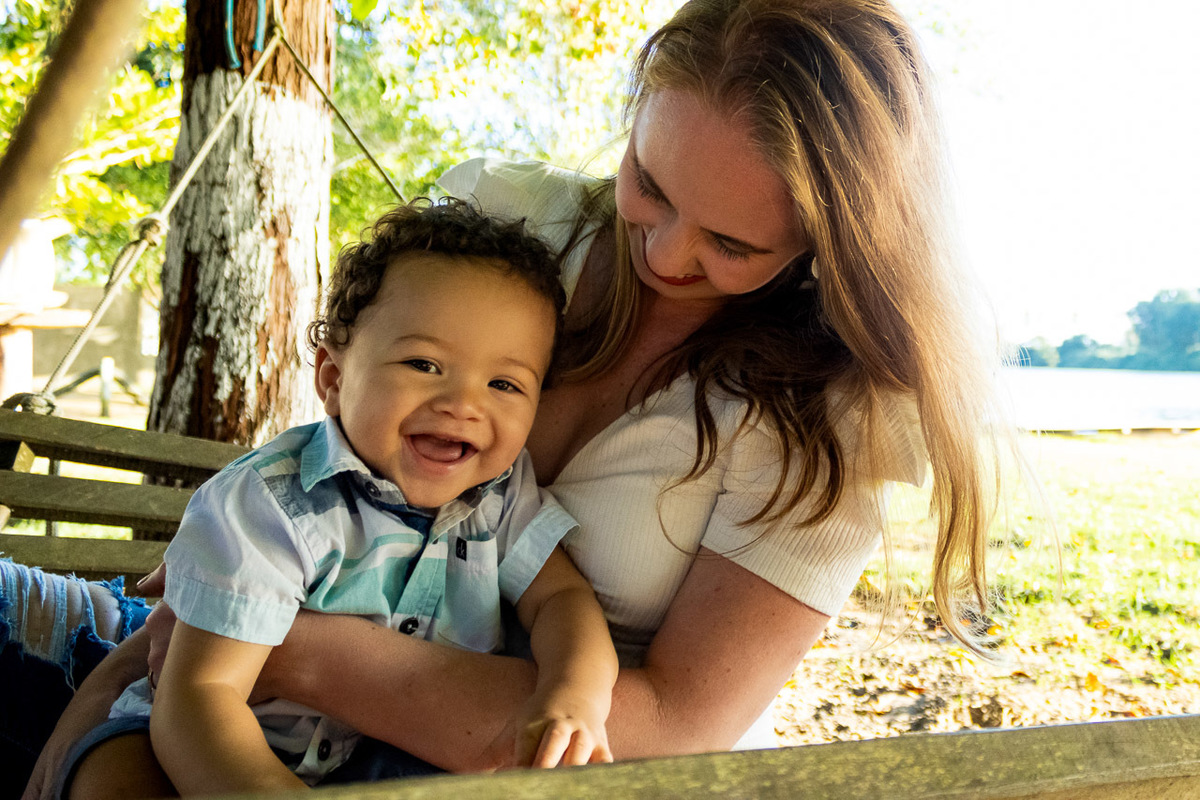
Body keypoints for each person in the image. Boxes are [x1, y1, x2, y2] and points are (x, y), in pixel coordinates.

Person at [7, 0, 1012, 795]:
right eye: (650, 184)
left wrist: (287, 651)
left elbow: (674, 725)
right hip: (250, 664)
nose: (666, 255)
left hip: (480, 755)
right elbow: (339, 461)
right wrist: (155, 653)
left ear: (828, 238)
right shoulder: (511, 218)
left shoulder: (836, 418)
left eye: (733, 243)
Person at [55, 198, 618, 798]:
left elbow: (561, 599)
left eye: (504, 383)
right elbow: (199, 696)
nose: (463, 403)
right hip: (208, 742)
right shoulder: (272, 502)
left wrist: (574, 695)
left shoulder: (501, 498)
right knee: (114, 779)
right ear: (332, 377)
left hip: (378, 754)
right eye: (424, 364)